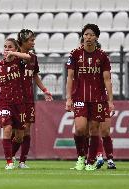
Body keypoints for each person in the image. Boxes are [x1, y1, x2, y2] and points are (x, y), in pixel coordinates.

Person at [65, 24, 114, 171]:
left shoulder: (102, 56)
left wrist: (110, 101)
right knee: (80, 129)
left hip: (98, 98)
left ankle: (90, 161)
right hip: (80, 97)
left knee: (94, 129)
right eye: (86, 34)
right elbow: (70, 77)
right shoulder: (75, 54)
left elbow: (107, 80)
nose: (88, 37)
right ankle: (81, 157)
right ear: (83, 36)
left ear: (96, 37)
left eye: (91, 35)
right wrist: (68, 98)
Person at [11, 29, 53, 169]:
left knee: (27, 129)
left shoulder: (33, 58)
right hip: (14, 99)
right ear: (22, 41)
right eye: (31, 40)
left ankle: (22, 161)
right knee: (18, 132)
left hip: (28, 98)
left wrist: (45, 90)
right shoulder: (13, 57)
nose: (33, 42)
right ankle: (9, 156)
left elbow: (35, 76)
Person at [0, 38, 31, 170]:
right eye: (5, 47)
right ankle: (9, 162)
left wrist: (15, 54)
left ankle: (12, 155)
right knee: (7, 129)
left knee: (19, 136)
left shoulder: (19, 62)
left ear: (16, 49)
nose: (7, 49)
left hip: (20, 103)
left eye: (10, 47)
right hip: (4, 102)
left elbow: (28, 57)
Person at [95, 104, 117, 169]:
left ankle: (110, 160)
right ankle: (99, 157)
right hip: (92, 102)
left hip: (103, 103)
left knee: (106, 133)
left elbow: (109, 93)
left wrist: (111, 103)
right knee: (94, 132)